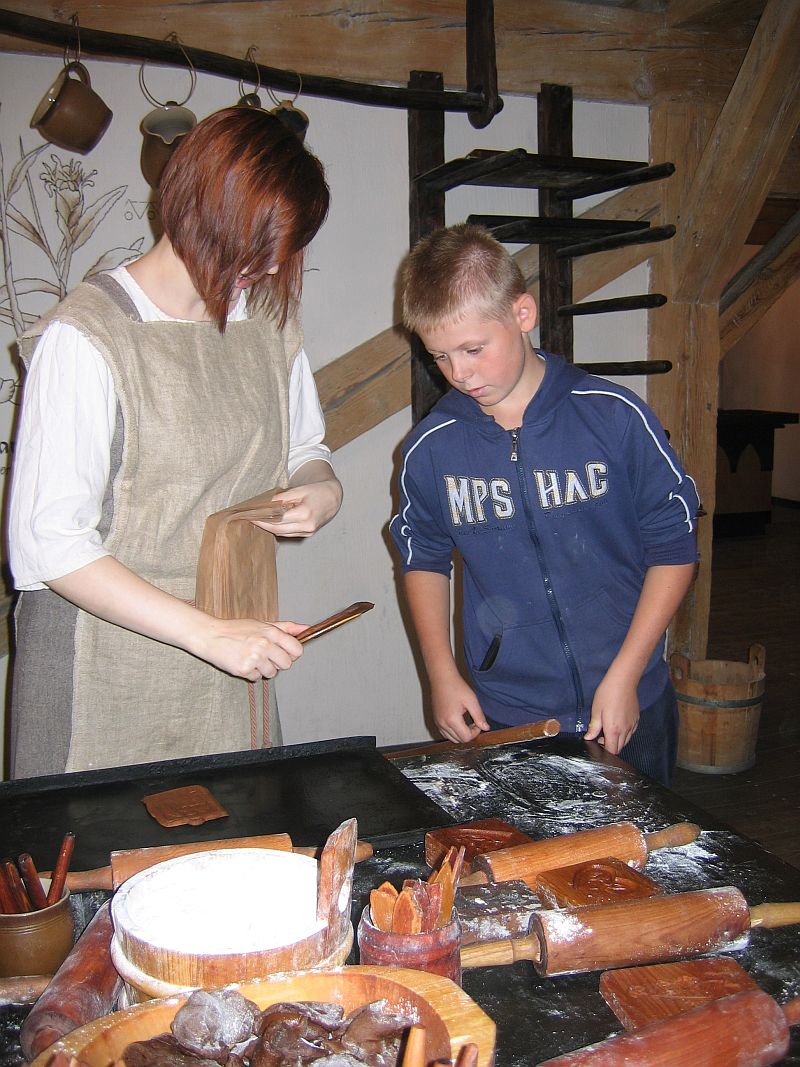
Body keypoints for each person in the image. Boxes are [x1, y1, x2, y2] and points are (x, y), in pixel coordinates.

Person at [8, 107, 342, 778]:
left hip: (233, 644)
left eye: (279, 251)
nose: (269, 268)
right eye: (255, 245)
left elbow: (306, 447)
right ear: (194, 205)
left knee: (237, 828)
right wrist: (206, 633)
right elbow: (50, 544)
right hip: (104, 669)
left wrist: (322, 490)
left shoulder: (266, 321)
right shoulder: (88, 337)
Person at [389, 224, 700, 786]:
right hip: (512, 715)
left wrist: (627, 675)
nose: (459, 373)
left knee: (647, 843)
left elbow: (675, 548)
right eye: (439, 356)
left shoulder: (613, 416)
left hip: (632, 700)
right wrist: (441, 675)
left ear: (523, 314)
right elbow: (424, 560)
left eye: (474, 350)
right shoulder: (430, 449)